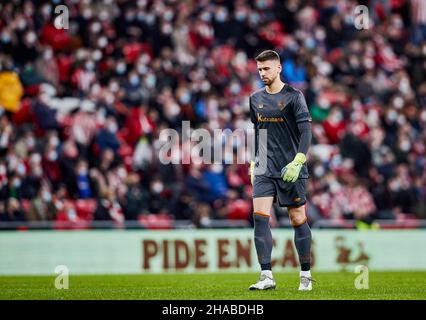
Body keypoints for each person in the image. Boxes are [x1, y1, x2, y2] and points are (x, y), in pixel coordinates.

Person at [248, 50, 314, 291]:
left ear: (278, 68)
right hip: (265, 166)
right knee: (259, 218)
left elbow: (306, 131)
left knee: (297, 218)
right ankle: (266, 275)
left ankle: (305, 275)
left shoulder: (295, 96)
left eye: (266, 69)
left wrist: (298, 160)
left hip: (291, 168)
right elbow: (258, 132)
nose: (262, 73)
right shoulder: (255, 98)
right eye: (259, 70)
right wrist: (255, 162)